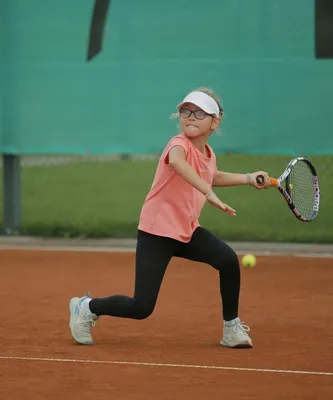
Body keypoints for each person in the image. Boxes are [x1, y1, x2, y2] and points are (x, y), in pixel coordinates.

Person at [69, 87, 270, 348]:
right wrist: (207, 193)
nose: (190, 116)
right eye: (186, 111)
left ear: (215, 121)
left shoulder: (208, 154)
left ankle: (231, 328)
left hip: (186, 230)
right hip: (157, 231)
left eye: (199, 112)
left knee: (228, 260)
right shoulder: (178, 145)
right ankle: (87, 307)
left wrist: (247, 178)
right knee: (142, 307)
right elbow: (177, 163)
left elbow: (212, 175)